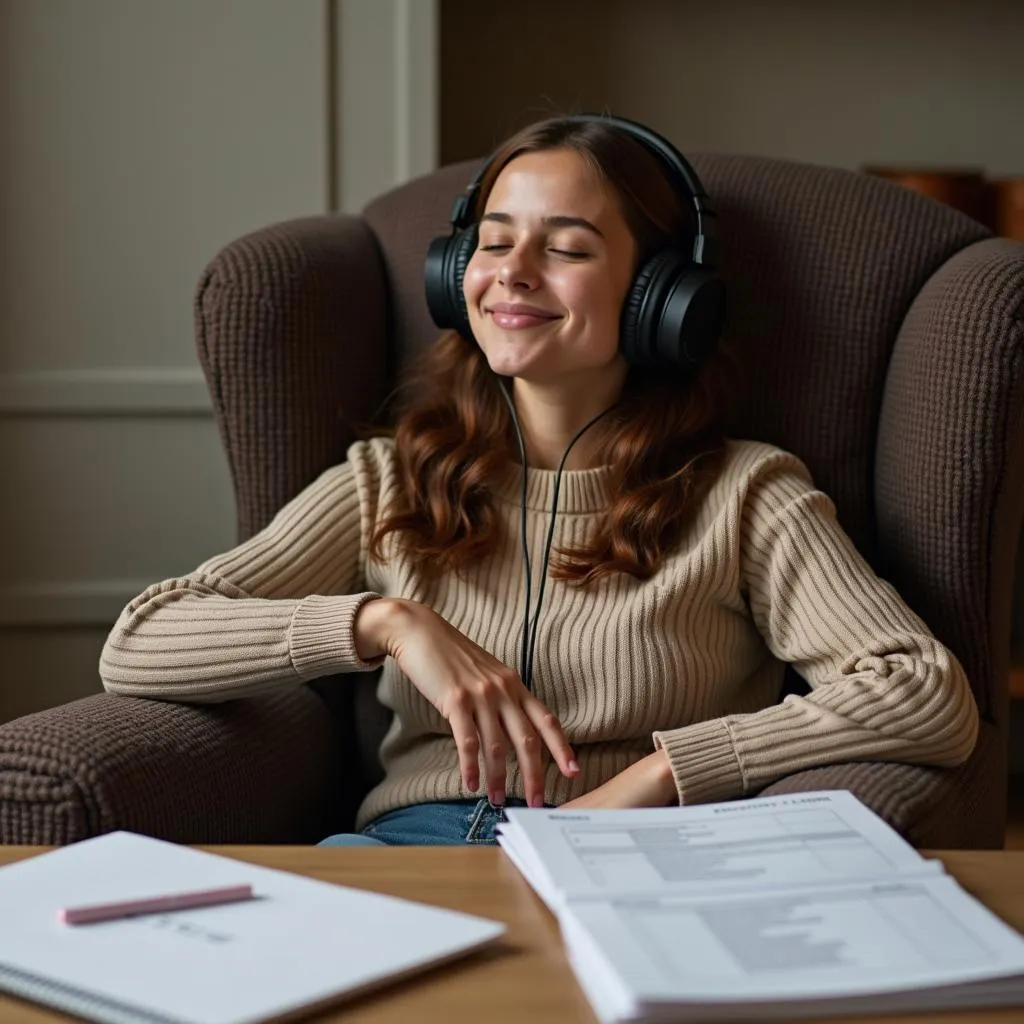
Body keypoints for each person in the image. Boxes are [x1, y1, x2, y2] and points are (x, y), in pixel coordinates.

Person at [99, 114, 979, 848]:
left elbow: (921, 690)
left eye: (565, 248)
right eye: (492, 243)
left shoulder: (743, 495)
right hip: (411, 849)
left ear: (659, 296)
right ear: (456, 276)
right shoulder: (389, 479)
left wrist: (667, 773)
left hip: (638, 855)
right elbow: (138, 642)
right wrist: (385, 622)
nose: (513, 273)